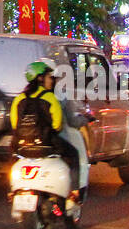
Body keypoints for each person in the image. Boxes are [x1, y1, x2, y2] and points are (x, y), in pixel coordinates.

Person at [10, 60, 89, 205]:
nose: (51, 80)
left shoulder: (19, 99)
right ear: (40, 78)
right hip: (47, 143)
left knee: (13, 155)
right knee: (73, 154)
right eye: (49, 77)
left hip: (22, 144)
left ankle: (11, 190)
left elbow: (15, 124)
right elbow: (57, 124)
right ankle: (75, 191)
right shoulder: (49, 97)